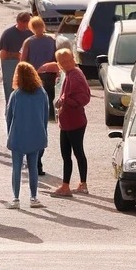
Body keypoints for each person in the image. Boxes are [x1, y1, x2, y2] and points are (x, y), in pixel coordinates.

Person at [5, 61, 49, 208]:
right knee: (33, 168)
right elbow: (45, 115)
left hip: (18, 135)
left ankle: (16, 199)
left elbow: (9, 116)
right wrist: (43, 132)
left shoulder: (16, 94)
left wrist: (9, 133)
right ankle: (33, 197)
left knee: (16, 168)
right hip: (36, 134)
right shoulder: (41, 93)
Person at [51, 48, 90, 196]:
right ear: (59, 64)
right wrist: (61, 100)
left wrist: (66, 101)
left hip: (74, 121)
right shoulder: (68, 74)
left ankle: (71, 186)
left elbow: (84, 98)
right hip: (68, 121)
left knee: (74, 153)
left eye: (68, 60)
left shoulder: (75, 75)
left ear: (74, 59)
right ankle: (77, 184)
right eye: (63, 62)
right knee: (68, 154)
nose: (66, 64)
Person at [21, 16, 58, 119]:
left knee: (37, 94)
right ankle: (50, 114)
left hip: (35, 72)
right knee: (49, 94)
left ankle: (39, 114)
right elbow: (55, 56)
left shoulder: (29, 41)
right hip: (49, 71)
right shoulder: (51, 39)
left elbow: (23, 60)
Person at [0, 10, 31, 98]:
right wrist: (17, 55)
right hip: (11, 65)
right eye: (24, 22)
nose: (26, 25)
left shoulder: (31, 33)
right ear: (18, 21)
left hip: (27, 65)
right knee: (11, 92)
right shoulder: (8, 34)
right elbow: (2, 55)